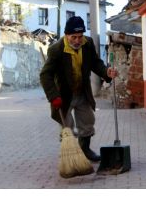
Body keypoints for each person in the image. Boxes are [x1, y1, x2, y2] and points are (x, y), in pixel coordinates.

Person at [40, 16, 118, 162]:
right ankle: (70, 155)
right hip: (63, 95)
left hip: (82, 91)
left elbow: (95, 63)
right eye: (73, 37)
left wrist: (106, 72)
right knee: (67, 127)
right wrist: (53, 96)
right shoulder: (56, 49)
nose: (77, 41)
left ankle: (85, 150)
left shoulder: (87, 43)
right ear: (66, 35)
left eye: (80, 37)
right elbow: (45, 75)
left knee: (87, 121)